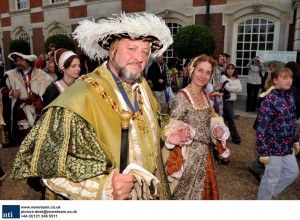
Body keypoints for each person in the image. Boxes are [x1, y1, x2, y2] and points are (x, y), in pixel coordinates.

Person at [12, 12, 193, 200]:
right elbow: (49, 166)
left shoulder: (142, 85)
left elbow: (153, 121)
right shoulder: (81, 96)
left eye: (145, 52)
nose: (139, 58)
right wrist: (103, 188)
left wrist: (169, 130)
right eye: (131, 48)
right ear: (112, 50)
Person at [163, 54, 227, 200]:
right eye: (200, 70)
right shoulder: (181, 98)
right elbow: (171, 131)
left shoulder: (204, 95)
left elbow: (209, 120)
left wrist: (217, 129)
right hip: (187, 159)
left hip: (205, 156)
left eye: (207, 72)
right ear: (192, 70)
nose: (203, 76)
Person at [256, 67, 299, 200]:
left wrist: (296, 139)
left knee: (292, 172)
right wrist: (263, 151)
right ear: (275, 80)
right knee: (271, 178)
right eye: (284, 77)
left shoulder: (290, 97)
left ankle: (269, 193)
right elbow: (261, 127)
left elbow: (292, 121)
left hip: (287, 146)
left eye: (290, 77)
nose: (289, 80)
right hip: (273, 147)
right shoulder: (269, 99)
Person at [2, 52, 52, 145]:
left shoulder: (40, 74)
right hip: (20, 108)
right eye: (17, 61)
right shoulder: (10, 75)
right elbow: (2, 88)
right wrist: (10, 92)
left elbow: (49, 86)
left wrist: (40, 98)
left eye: (21, 60)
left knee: (40, 131)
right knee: (25, 135)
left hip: (37, 108)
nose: (18, 63)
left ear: (28, 60)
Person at [220, 62, 242, 144]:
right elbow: (228, 88)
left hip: (232, 102)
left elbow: (240, 89)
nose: (230, 70)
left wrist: (232, 88)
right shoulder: (223, 77)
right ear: (226, 69)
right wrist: (235, 88)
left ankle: (219, 135)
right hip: (226, 101)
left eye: (232, 68)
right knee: (231, 120)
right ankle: (236, 138)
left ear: (234, 69)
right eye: (228, 68)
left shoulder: (236, 78)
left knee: (223, 120)